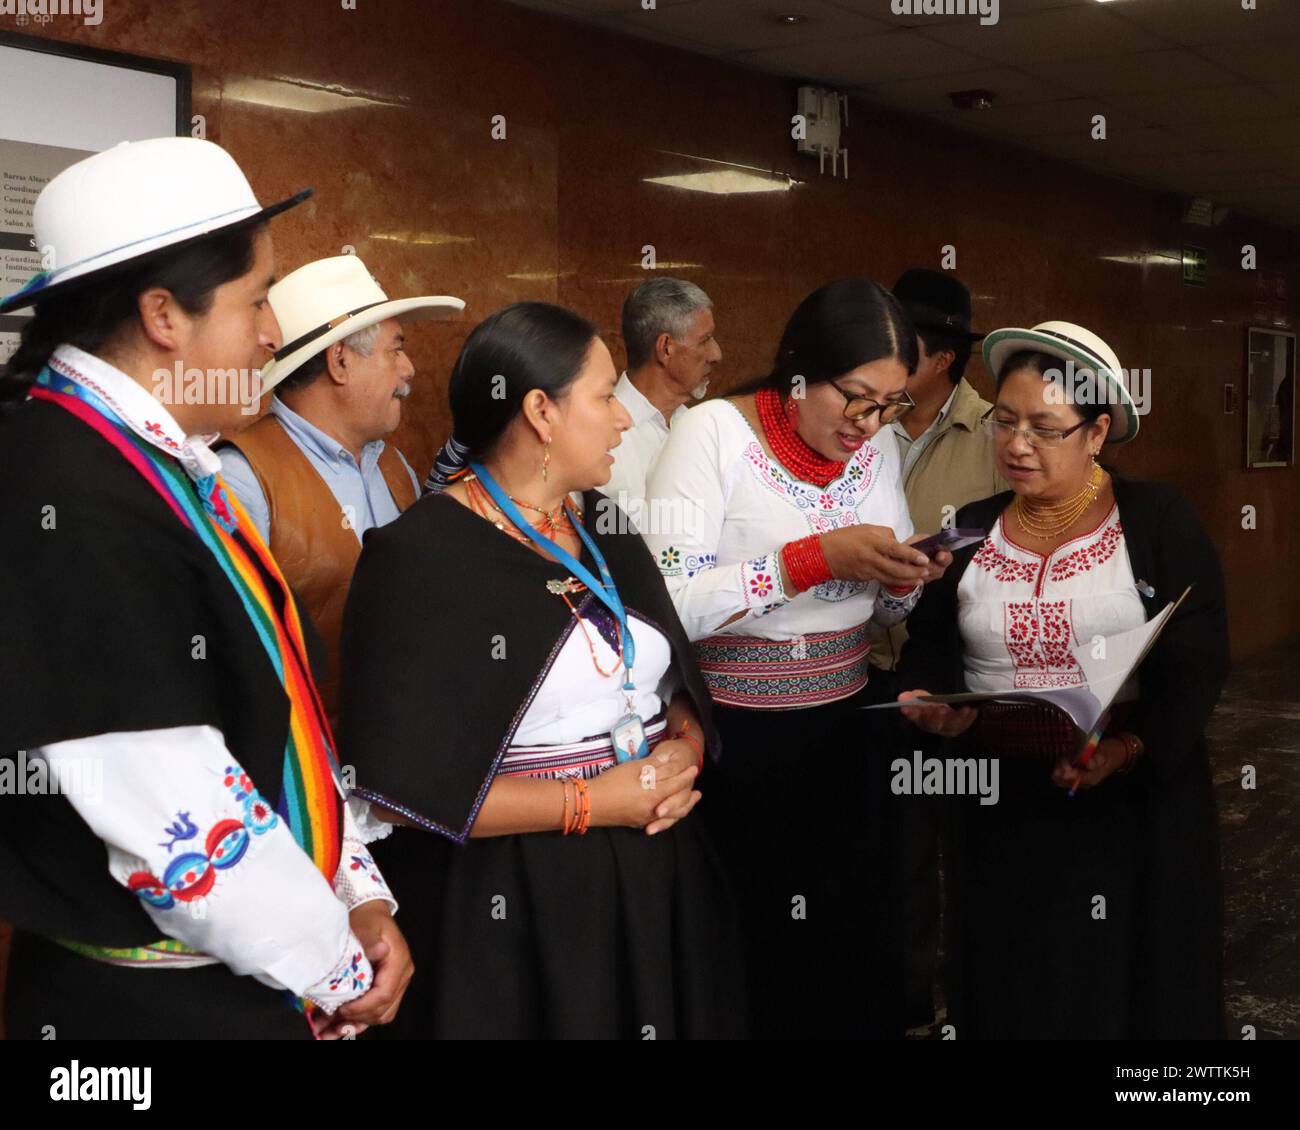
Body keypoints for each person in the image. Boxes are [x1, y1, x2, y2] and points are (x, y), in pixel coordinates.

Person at [0, 138, 409, 1040]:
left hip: (243, 970)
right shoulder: (69, 490)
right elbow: (167, 802)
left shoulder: (157, 462)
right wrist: (333, 964)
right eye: (257, 299)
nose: (272, 334)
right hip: (150, 1010)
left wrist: (356, 890)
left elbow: (276, 705)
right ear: (162, 316)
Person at [339, 301, 747, 1039]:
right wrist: (593, 803)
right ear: (540, 412)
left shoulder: (602, 525)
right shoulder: (419, 558)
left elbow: (667, 677)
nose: (624, 419)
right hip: (518, 893)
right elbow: (399, 790)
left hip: (654, 861)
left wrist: (681, 753)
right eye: (603, 396)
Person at [898, 320, 1227, 1039]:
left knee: (1125, 979)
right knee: (1013, 976)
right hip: (1000, 806)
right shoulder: (967, 531)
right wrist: (928, 703)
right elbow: (927, 643)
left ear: (1096, 432)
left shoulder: (1156, 519)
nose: (1018, 444)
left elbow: (1199, 654)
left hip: (1124, 801)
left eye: (1045, 427)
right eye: (1005, 422)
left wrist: (1130, 748)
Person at [643, 277, 952, 1038]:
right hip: (738, 740)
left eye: (889, 405)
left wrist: (905, 579)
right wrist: (806, 560)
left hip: (846, 725)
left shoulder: (875, 447)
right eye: (856, 397)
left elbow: (878, 607)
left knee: (845, 939)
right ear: (799, 369)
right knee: (755, 943)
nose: (870, 423)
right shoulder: (712, 432)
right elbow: (666, 606)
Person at [219, 254, 463, 720]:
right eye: (396, 349)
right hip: (306, 767)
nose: (409, 369)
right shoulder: (244, 478)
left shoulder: (393, 466)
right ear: (340, 361)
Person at [871, 267, 1006, 1028]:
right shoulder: (867, 423)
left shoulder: (993, 433)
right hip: (865, 673)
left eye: (904, 342)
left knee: (945, 845)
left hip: (951, 680)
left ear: (946, 355)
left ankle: (950, 1000)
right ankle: (894, 996)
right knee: (884, 849)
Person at [598, 276, 721, 525]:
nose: (716, 354)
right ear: (666, 348)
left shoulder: (703, 427)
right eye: (705, 340)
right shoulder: (601, 436)